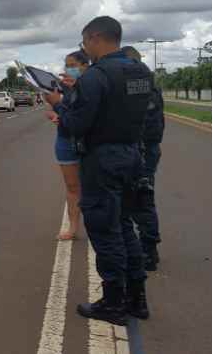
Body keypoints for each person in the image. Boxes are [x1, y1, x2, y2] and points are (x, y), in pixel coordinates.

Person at [44, 16, 154, 325]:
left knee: (105, 231)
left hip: (103, 159)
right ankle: (137, 299)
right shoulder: (141, 72)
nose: (85, 49)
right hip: (131, 155)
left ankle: (113, 303)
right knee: (124, 226)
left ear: (95, 38)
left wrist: (58, 104)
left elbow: (76, 125)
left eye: (84, 43)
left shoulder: (96, 76)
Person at [122, 46, 165, 271]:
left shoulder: (140, 84)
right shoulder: (146, 81)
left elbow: (143, 122)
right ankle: (145, 248)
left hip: (143, 150)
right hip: (145, 149)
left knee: (142, 198)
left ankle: (148, 251)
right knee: (137, 199)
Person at [46, 50, 91, 240]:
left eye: (73, 65)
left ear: (85, 65)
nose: (68, 69)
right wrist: (55, 115)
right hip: (65, 139)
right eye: (67, 66)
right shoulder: (62, 87)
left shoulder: (92, 86)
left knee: (93, 185)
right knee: (72, 187)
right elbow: (50, 109)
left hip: (88, 140)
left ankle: (97, 226)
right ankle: (72, 228)